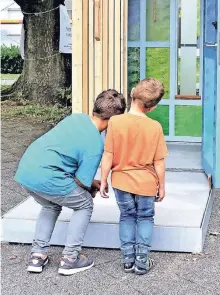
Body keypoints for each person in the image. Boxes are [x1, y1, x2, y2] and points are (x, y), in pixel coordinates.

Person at [14, 89, 126, 276]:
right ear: (114, 120)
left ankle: (37, 256)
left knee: (51, 205)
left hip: (26, 171)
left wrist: (88, 183)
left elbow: (67, 155)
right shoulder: (95, 145)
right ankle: (70, 259)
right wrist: (90, 186)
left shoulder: (76, 118)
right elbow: (81, 182)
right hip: (49, 177)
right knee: (84, 204)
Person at [100, 78, 168, 275]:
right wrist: (161, 186)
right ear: (152, 107)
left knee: (127, 217)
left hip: (121, 181)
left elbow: (108, 154)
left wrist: (104, 179)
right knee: (145, 217)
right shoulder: (155, 127)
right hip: (146, 183)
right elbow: (159, 162)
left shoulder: (115, 122)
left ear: (132, 94)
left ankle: (127, 260)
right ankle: (142, 261)